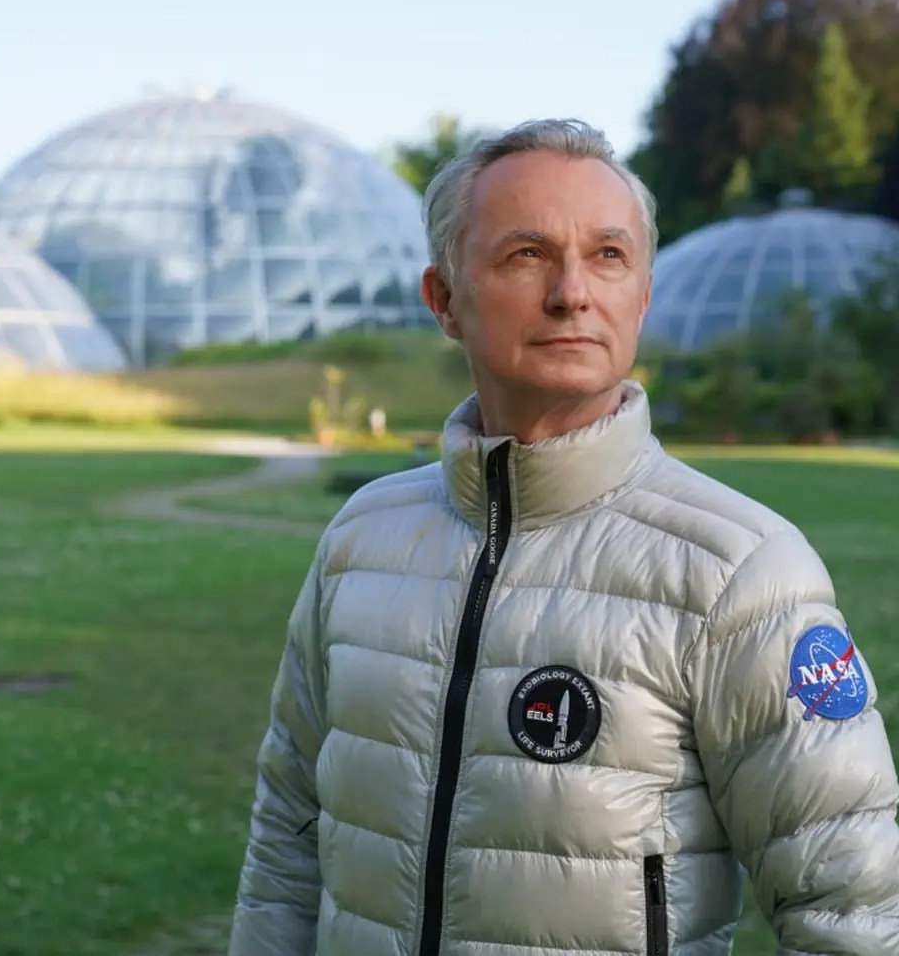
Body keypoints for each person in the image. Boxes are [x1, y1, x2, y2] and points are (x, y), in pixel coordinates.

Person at [226, 118, 899, 956]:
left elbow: (857, 913)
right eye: (527, 254)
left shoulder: (742, 571)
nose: (572, 292)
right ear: (444, 300)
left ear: (643, 293)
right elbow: (286, 847)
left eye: (609, 255)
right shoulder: (360, 540)